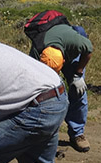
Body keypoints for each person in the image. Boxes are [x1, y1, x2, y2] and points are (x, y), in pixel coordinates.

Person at [29, 23, 93, 153]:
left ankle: (77, 133)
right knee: (43, 97)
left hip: (71, 51)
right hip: (46, 60)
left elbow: (89, 50)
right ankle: (43, 136)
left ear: (63, 62)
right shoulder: (36, 54)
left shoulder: (77, 42)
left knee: (78, 92)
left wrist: (78, 74)